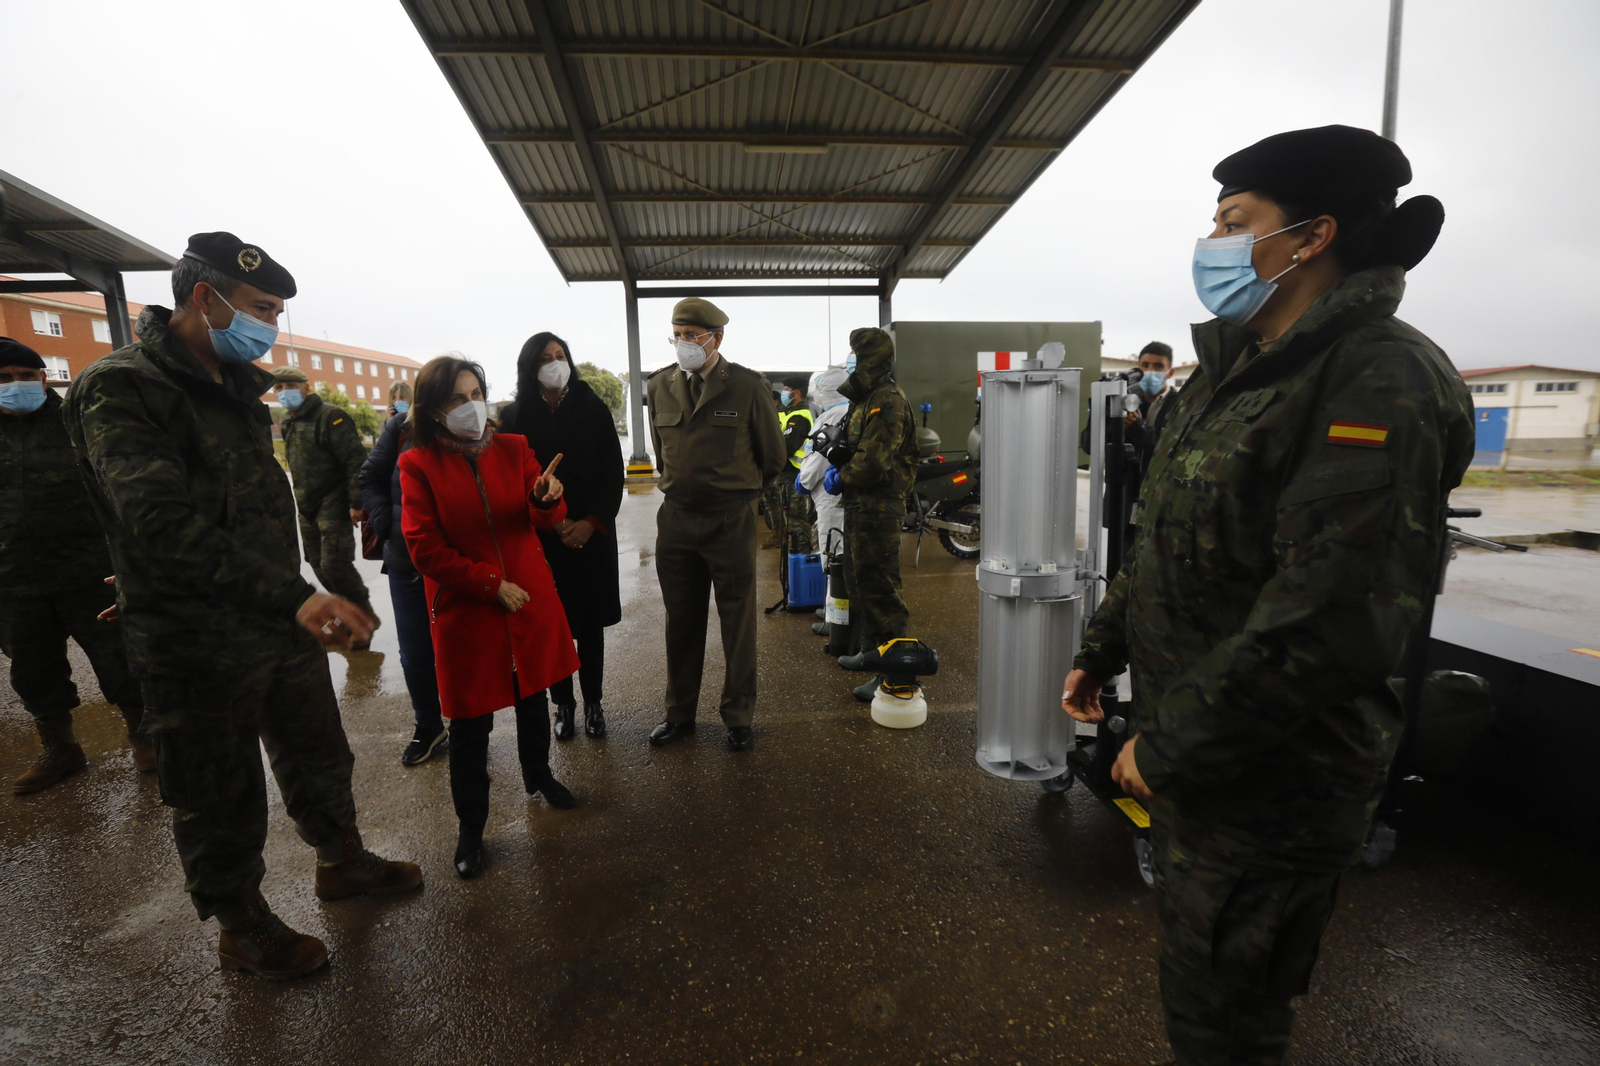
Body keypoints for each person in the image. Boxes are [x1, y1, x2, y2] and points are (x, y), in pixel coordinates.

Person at [1061, 126, 1474, 1066]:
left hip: (1278, 777)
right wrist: (1103, 645)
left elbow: (1334, 615)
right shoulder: (1226, 375)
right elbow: (1164, 536)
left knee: (1230, 1021)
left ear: (1311, 237)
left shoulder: (1379, 376)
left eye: (1234, 222)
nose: (1212, 243)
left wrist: (1170, 742)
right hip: (1205, 760)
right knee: (1197, 993)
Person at [63, 232, 421, 982]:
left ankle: (342, 862)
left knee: (318, 751)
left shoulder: (240, 391)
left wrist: (290, 598)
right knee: (217, 787)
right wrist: (296, 594)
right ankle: (243, 927)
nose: (270, 325)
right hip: (192, 637)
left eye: (278, 311)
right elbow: (154, 520)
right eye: (260, 307)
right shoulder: (123, 386)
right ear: (205, 297)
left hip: (276, 619)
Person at [399, 356, 579, 880]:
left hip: (527, 597)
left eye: (477, 392)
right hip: (470, 607)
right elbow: (423, 547)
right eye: (458, 398)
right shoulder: (417, 465)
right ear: (433, 409)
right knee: (471, 724)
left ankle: (539, 775)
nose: (472, 405)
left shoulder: (514, 448)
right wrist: (488, 584)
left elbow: (541, 513)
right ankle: (471, 828)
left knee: (533, 696)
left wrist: (546, 499)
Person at [0, 337, 151, 793]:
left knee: (120, 659)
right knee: (32, 668)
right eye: (4, 379)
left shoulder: (76, 422)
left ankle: (147, 739)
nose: (17, 385)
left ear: (44, 378)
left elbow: (120, 488)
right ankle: (60, 748)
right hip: (14, 578)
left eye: (27, 377)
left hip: (89, 570)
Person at [645, 297, 785, 751]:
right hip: (678, 521)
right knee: (680, 621)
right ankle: (679, 713)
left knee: (737, 622)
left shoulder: (745, 385)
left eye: (692, 336)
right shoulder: (660, 385)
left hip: (730, 519)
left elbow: (774, 457)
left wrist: (739, 496)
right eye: (677, 334)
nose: (683, 343)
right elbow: (662, 452)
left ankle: (738, 715)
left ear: (716, 339)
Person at [500, 332, 624, 742]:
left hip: (592, 534)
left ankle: (593, 703)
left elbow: (613, 474)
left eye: (561, 355)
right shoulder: (515, 416)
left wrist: (591, 522)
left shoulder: (593, 407)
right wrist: (554, 523)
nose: (556, 364)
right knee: (551, 625)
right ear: (530, 368)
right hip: (543, 538)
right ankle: (564, 706)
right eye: (545, 358)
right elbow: (512, 480)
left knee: (589, 624)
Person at [827, 329, 919, 703]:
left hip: (878, 507)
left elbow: (873, 462)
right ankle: (872, 656)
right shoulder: (866, 399)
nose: (851, 363)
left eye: (855, 356)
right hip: (861, 506)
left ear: (872, 360)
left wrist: (842, 477)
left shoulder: (887, 400)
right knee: (861, 582)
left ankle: (898, 676)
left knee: (881, 591)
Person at [358, 385, 446, 766]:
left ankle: (471, 725)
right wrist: (385, 522)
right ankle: (429, 724)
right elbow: (370, 477)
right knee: (415, 653)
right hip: (406, 563)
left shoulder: (473, 435)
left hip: (454, 563)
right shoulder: (401, 428)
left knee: (459, 648)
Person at [272, 366, 377, 648]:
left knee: (335, 564)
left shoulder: (331, 416)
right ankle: (346, 615)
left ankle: (364, 617)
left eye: (290, 385)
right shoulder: (288, 422)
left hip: (334, 501)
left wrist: (356, 503)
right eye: (278, 387)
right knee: (316, 564)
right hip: (307, 505)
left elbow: (355, 461)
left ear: (306, 387)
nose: (284, 392)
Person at [796, 366, 850, 636]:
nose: (813, 398)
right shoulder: (839, 412)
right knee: (832, 553)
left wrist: (804, 481)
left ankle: (837, 619)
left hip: (830, 497)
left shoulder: (835, 415)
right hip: (829, 496)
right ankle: (832, 607)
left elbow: (818, 457)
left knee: (833, 554)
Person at [777, 376, 816, 551]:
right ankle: (796, 555)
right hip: (787, 475)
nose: (784, 392)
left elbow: (786, 447)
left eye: (786, 389)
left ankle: (804, 554)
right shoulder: (789, 414)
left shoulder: (800, 417)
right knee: (790, 518)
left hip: (795, 474)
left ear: (797, 392)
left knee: (797, 518)